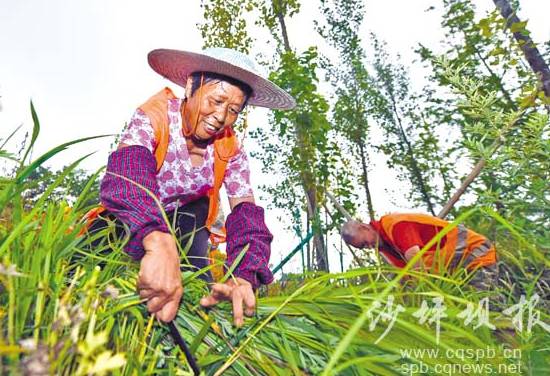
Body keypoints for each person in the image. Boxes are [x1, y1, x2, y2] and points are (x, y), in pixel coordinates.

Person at [98, 47, 296, 326]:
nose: (220, 116)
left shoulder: (230, 149)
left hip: (186, 224)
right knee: (95, 264)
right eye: (216, 100)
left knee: (197, 283)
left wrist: (244, 273)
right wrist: (157, 240)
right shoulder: (153, 117)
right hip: (132, 215)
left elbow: (246, 214)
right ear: (191, 85)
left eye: (233, 110)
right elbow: (128, 174)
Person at [340, 213, 497, 278]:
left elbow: (415, 261)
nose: (368, 247)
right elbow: (407, 278)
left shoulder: (395, 226)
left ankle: (510, 348)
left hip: (475, 254)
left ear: (365, 228)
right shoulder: (386, 248)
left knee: (488, 310)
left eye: (364, 242)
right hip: (455, 271)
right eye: (363, 247)